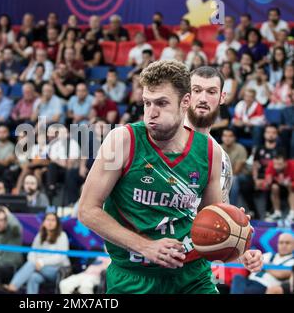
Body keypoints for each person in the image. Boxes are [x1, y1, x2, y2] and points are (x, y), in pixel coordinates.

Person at [78, 60, 263, 294]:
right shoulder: (122, 141)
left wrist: (240, 247)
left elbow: (213, 218)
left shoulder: (210, 151)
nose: (151, 113)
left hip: (192, 276)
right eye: (147, 103)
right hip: (134, 277)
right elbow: (87, 210)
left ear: (185, 102)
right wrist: (146, 247)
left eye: (162, 103)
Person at [185, 66, 233, 204]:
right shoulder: (163, 141)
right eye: (197, 90)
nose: (203, 98)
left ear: (222, 97)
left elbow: (220, 211)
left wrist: (232, 222)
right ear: (186, 94)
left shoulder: (223, 159)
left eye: (211, 92)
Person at [0, 212, 70, 294]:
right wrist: (36, 262)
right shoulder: (40, 235)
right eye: (48, 220)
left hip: (57, 270)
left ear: (57, 223)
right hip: (39, 268)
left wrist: (42, 262)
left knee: (31, 264)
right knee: (33, 277)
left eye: (53, 220)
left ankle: (12, 287)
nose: (50, 222)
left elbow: (61, 257)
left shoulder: (62, 236)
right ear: (44, 222)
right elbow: (32, 252)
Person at [263, 153, 294, 223]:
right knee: (274, 187)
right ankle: (277, 213)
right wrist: (267, 183)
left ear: (286, 163)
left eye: (279, 164)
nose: (276, 167)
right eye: (275, 164)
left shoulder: (292, 165)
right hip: (279, 188)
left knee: (291, 189)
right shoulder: (271, 165)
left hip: (290, 187)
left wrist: (288, 184)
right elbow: (265, 185)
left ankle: (292, 214)